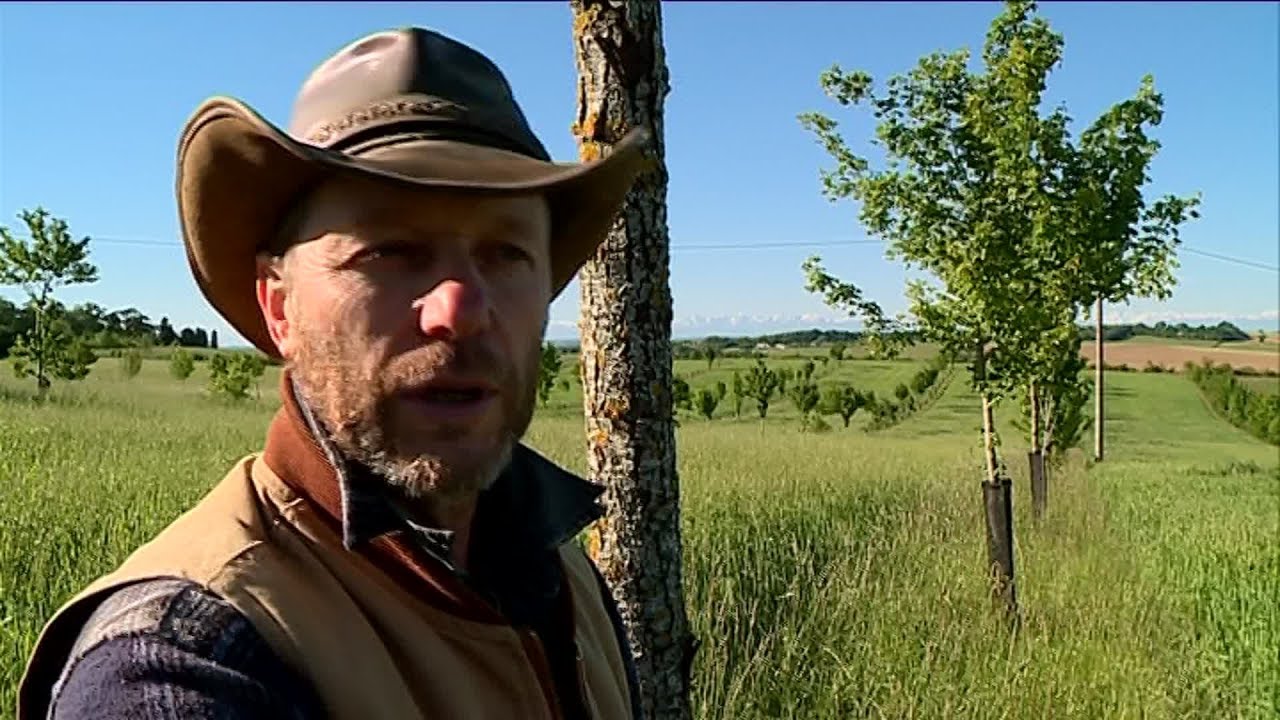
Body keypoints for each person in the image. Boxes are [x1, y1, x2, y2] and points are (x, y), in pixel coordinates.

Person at [18, 26, 651, 720]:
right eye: (390, 251)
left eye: (506, 253)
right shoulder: (189, 660)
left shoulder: (566, 571)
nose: (461, 310)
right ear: (280, 308)